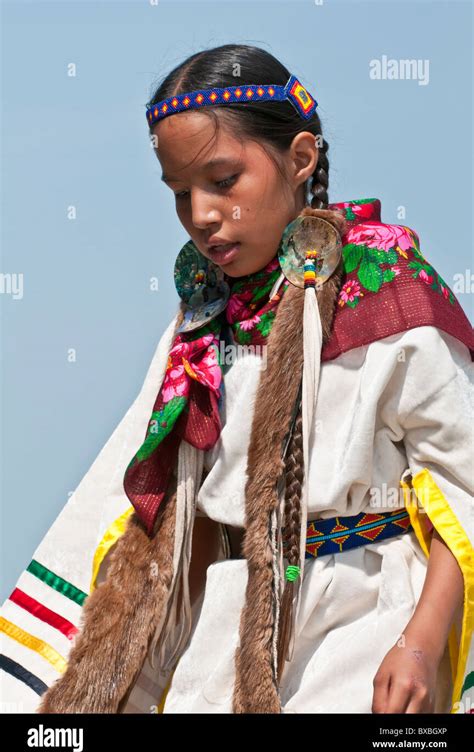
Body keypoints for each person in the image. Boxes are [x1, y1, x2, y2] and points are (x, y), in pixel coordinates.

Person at [1, 44, 472, 715]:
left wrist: (420, 644)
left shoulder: (390, 293)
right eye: (180, 192)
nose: (201, 213)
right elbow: (140, 496)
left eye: (223, 181)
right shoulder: (202, 319)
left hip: (362, 630)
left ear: (301, 159)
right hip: (220, 640)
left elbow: (462, 485)